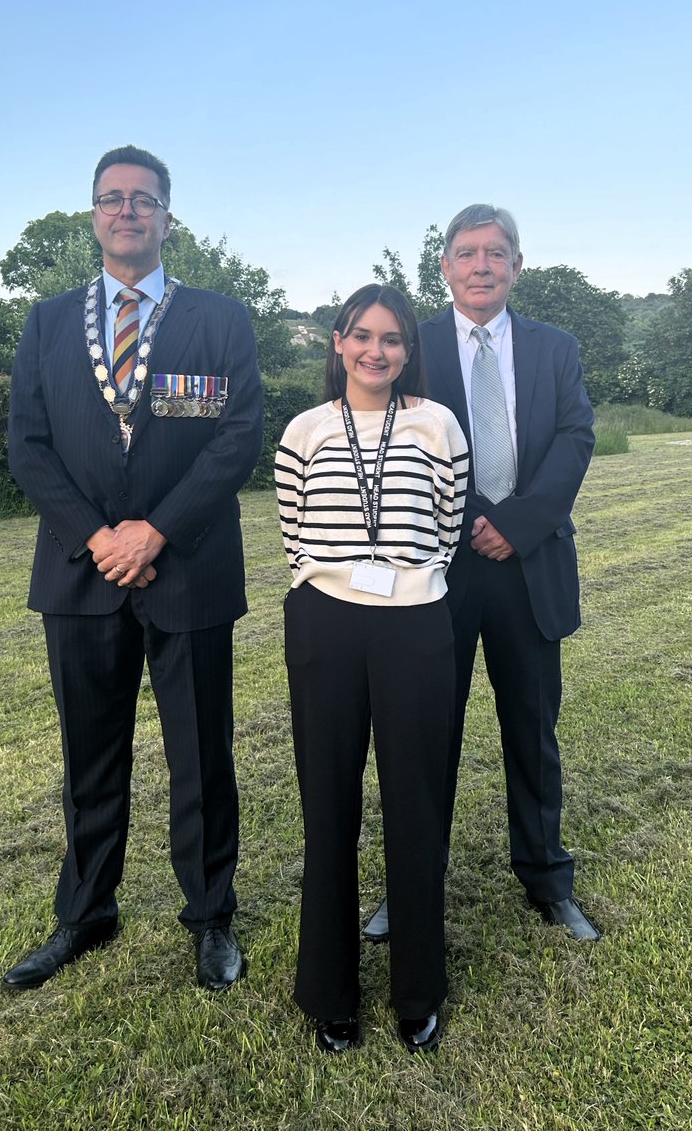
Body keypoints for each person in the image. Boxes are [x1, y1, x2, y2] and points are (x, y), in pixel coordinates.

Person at [4, 145, 263, 993]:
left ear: (166, 216)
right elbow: (29, 449)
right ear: (93, 215)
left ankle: (211, 916)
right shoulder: (46, 323)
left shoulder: (220, 320)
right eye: (112, 200)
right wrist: (101, 539)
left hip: (187, 568)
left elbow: (236, 439)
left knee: (200, 755)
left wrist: (154, 532)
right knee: (89, 755)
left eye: (143, 200)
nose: (127, 212)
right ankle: (85, 914)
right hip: (80, 575)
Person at [363, 204, 600, 944]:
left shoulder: (554, 347)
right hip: (438, 570)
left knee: (532, 732)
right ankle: (410, 886)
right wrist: (474, 522)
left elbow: (574, 436)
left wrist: (518, 523)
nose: (481, 266)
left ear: (516, 265)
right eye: (466, 253)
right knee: (422, 734)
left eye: (496, 253)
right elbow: (392, 436)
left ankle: (545, 880)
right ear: (444, 268)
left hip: (529, 569)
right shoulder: (417, 345)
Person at [275, 284, 469, 1053]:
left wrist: (408, 575)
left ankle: (417, 987)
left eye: (391, 339)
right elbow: (292, 528)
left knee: (414, 804)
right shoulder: (304, 429)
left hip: (416, 623)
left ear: (406, 350)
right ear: (337, 342)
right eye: (361, 335)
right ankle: (329, 990)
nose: (375, 351)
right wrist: (340, 581)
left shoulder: (436, 424)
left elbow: (448, 521)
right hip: (326, 621)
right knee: (328, 805)